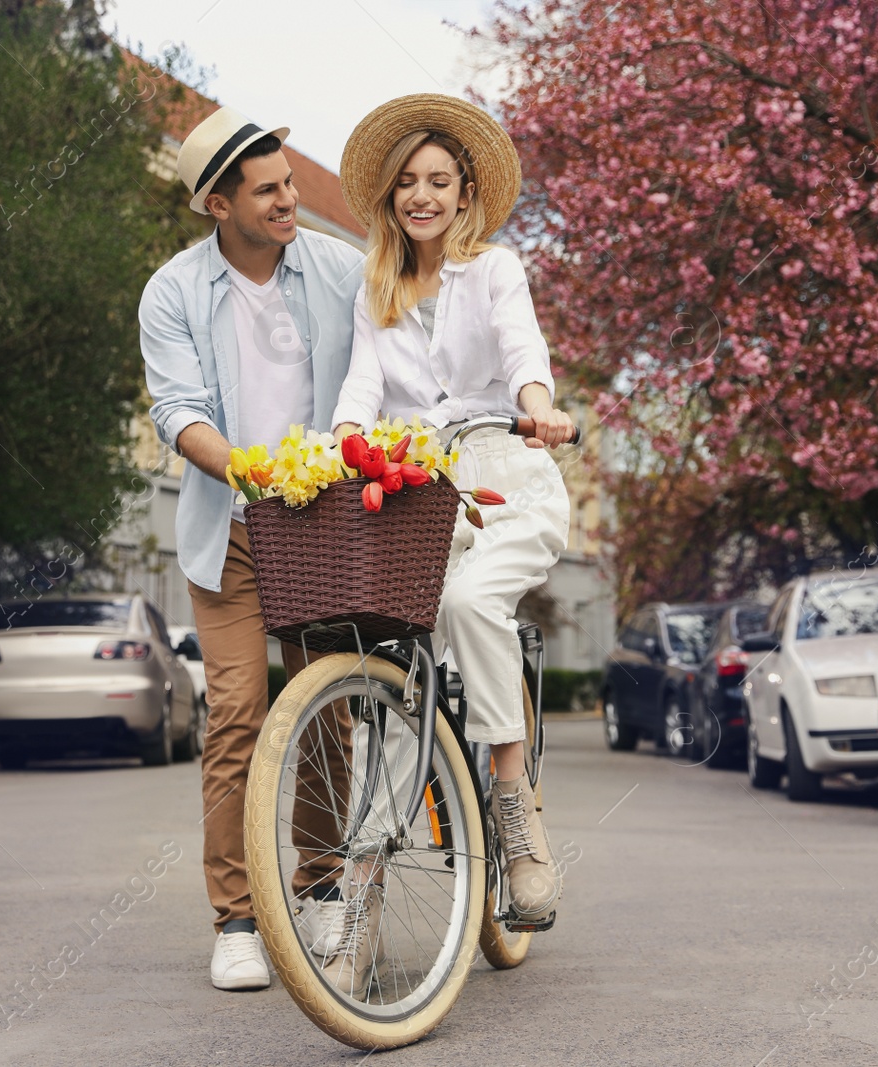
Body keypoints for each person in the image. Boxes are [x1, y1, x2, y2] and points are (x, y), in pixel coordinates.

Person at [327, 93, 574, 993]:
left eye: (438, 181)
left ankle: (514, 813)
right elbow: (359, 391)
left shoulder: (496, 270)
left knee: (472, 604)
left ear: (466, 192)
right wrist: (333, 452)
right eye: (407, 185)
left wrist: (539, 405)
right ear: (391, 199)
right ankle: (358, 896)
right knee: (396, 676)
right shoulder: (379, 290)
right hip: (421, 492)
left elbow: (522, 350)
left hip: (510, 479)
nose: (422, 197)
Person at [139, 105, 364, 992]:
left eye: (289, 182)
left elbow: (400, 329)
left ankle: (323, 883)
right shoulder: (174, 292)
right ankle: (234, 918)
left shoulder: (338, 268)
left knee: (329, 715)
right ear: (215, 205)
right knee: (237, 713)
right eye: (268, 189)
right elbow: (178, 413)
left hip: (323, 530)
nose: (289, 199)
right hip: (232, 531)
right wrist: (251, 473)